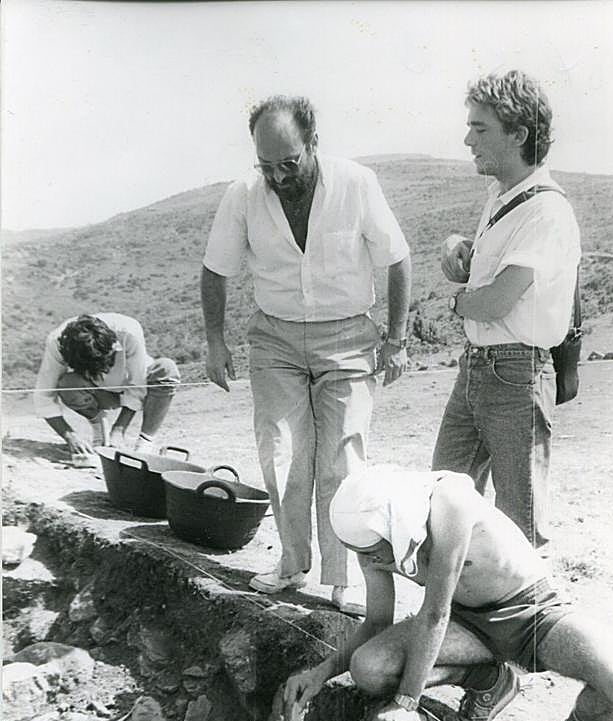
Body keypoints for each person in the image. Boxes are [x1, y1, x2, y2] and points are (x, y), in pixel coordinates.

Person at [284, 466, 613, 721]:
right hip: (466, 624)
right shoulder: (371, 535)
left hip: (532, 613)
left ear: (392, 524)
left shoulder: (449, 502)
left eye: (371, 550)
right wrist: (319, 673)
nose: (366, 559)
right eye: (358, 551)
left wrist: (406, 702)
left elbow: (434, 613)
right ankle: (489, 679)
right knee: (368, 668)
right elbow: (376, 622)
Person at [201, 95, 411, 610]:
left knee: (342, 458)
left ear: (313, 143)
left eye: (288, 163)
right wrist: (215, 341)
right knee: (282, 453)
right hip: (275, 337)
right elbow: (216, 269)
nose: (277, 175)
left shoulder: (357, 184)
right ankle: (292, 563)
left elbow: (398, 259)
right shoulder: (242, 195)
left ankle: (345, 578)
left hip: (347, 336)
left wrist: (397, 339)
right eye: (266, 165)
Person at [433, 70, 581, 549]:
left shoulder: (546, 210)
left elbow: (497, 300)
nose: (467, 140)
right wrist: (459, 245)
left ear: (518, 134)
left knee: (520, 519)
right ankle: (462, 615)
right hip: (480, 367)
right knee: (443, 498)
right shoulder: (503, 197)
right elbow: (488, 275)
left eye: (481, 129)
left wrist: (457, 302)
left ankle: (528, 619)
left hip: (517, 370)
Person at [34, 313, 180, 465]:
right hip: (98, 391)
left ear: (114, 346)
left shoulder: (128, 330)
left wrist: (119, 430)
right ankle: (99, 425)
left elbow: (138, 384)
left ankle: (145, 444)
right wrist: (70, 436)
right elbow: (44, 397)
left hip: (139, 388)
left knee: (167, 368)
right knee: (66, 383)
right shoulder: (57, 343)